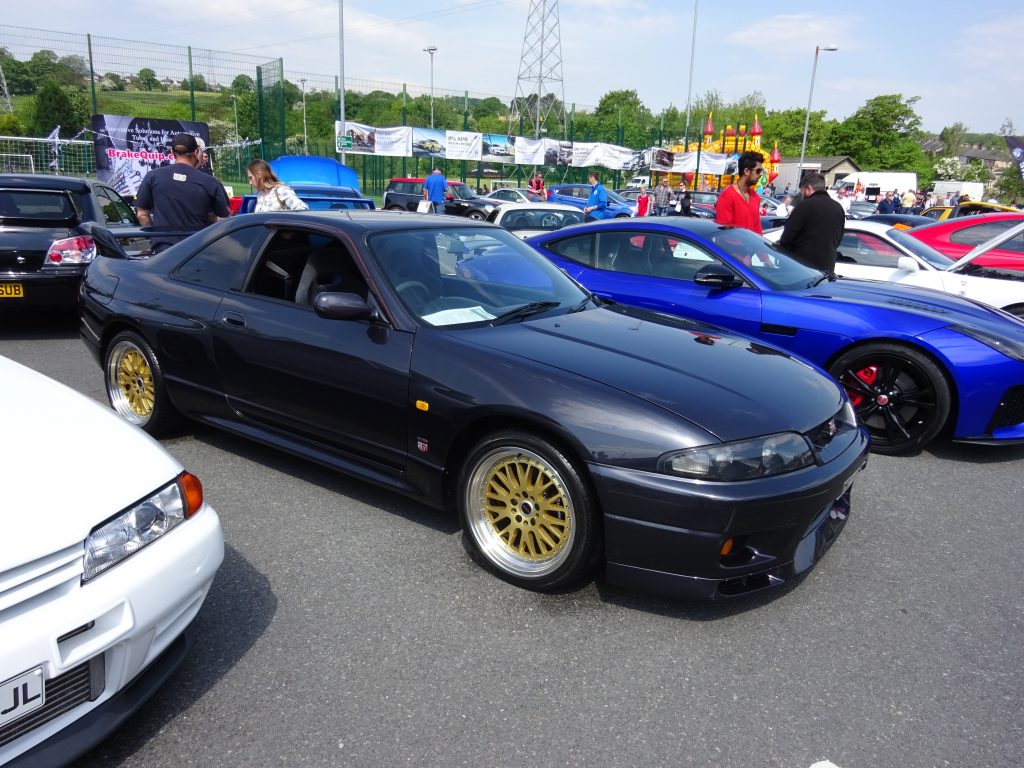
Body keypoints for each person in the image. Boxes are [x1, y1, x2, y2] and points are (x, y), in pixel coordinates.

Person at [135, 133, 230, 252]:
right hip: (198, 251)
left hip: (163, 252)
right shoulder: (210, 182)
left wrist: (154, 237)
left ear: (172, 153)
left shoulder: (153, 177)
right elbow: (224, 219)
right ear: (196, 152)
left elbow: (142, 215)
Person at [779, 172, 845, 275]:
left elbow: (787, 238)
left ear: (808, 189)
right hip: (827, 269)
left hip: (802, 269)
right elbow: (839, 238)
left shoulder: (804, 206)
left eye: (802, 191)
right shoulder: (838, 208)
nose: (801, 195)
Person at [715, 151, 764, 234]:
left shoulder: (755, 196)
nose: (760, 174)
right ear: (746, 171)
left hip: (752, 242)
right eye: (758, 171)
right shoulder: (727, 197)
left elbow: (757, 229)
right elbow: (724, 233)